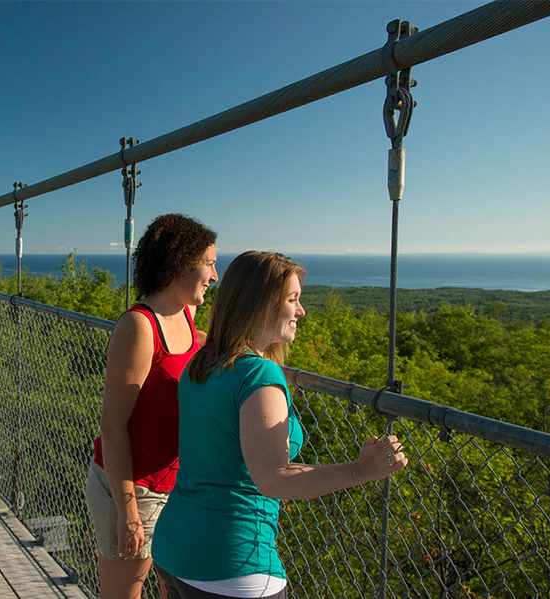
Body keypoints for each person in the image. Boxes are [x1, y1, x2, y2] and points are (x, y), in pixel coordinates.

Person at [151, 251, 408, 599]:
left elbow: (231, 459)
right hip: (233, 565)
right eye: (293, 299)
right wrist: (361, 470)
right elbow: (272, 479)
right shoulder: (258, 375)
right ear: (261, 304)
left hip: (175, 548)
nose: (300, 311)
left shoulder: (204, 363)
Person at [86, 214, 218, 599]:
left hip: (177, 485)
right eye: (209, 263)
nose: (214, 276)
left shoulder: (186, 314)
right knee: (126, 590)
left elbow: (205, 346)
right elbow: (112, 427)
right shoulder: (139, 327)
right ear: (180, 262)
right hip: (132, 487)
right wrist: (128, 511)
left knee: (173, 585)